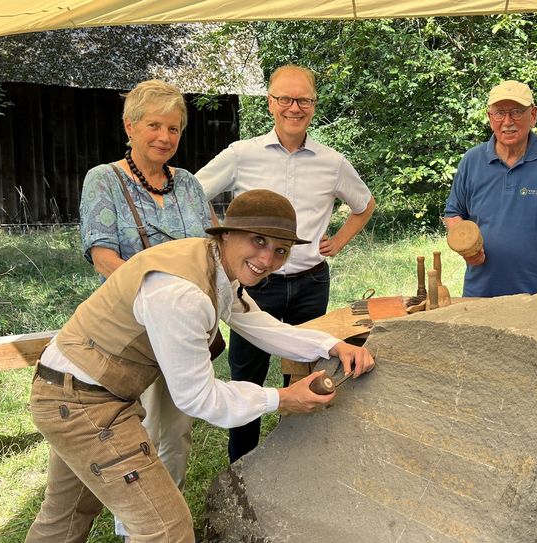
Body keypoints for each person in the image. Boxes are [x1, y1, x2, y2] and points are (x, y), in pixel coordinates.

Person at [25, 189, 375, 543]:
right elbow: (198, 398)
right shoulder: (182, 294)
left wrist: (330, 343)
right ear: (226, 234)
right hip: (82, 402)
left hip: (67, 388)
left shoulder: (213, 264)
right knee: (166, 530)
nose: (267, 259)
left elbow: (259, 324)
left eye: (280, 250)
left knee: (65, 517)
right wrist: (282, 398)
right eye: (258, 240)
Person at [195, 64, 375, 463]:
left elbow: (364, 205)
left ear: (313, 105)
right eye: (285, 99)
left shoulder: (332, 161)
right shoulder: (242, 154)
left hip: (311, 282)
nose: (294, 108)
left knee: (312, 373)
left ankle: (299, 465)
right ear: (271, 103)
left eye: (304, 100)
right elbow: (192, 192)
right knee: (248, 378)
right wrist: (223, 236)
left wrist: (339, 241)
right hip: (256, 284)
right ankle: (242, 469)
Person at [76, 78, 217, 541]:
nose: (164, 137)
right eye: (154, 125)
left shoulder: (191, 185)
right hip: (128, 330)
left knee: (174, 430)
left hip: (183, 332)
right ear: (130, 126)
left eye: (174, 128)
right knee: (126, 432)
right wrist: (159, 295)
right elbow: (103, 256)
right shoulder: (104, 180)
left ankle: (164, 515)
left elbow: (212, 249)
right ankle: (135, 526)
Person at [443, 80, 537, 297]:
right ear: (490, 118)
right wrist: (467, 247)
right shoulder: (472, 160)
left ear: (533, 115)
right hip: (480, 292)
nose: (507, 121)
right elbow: (453, 214)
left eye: (517, 112)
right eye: (499, 113)